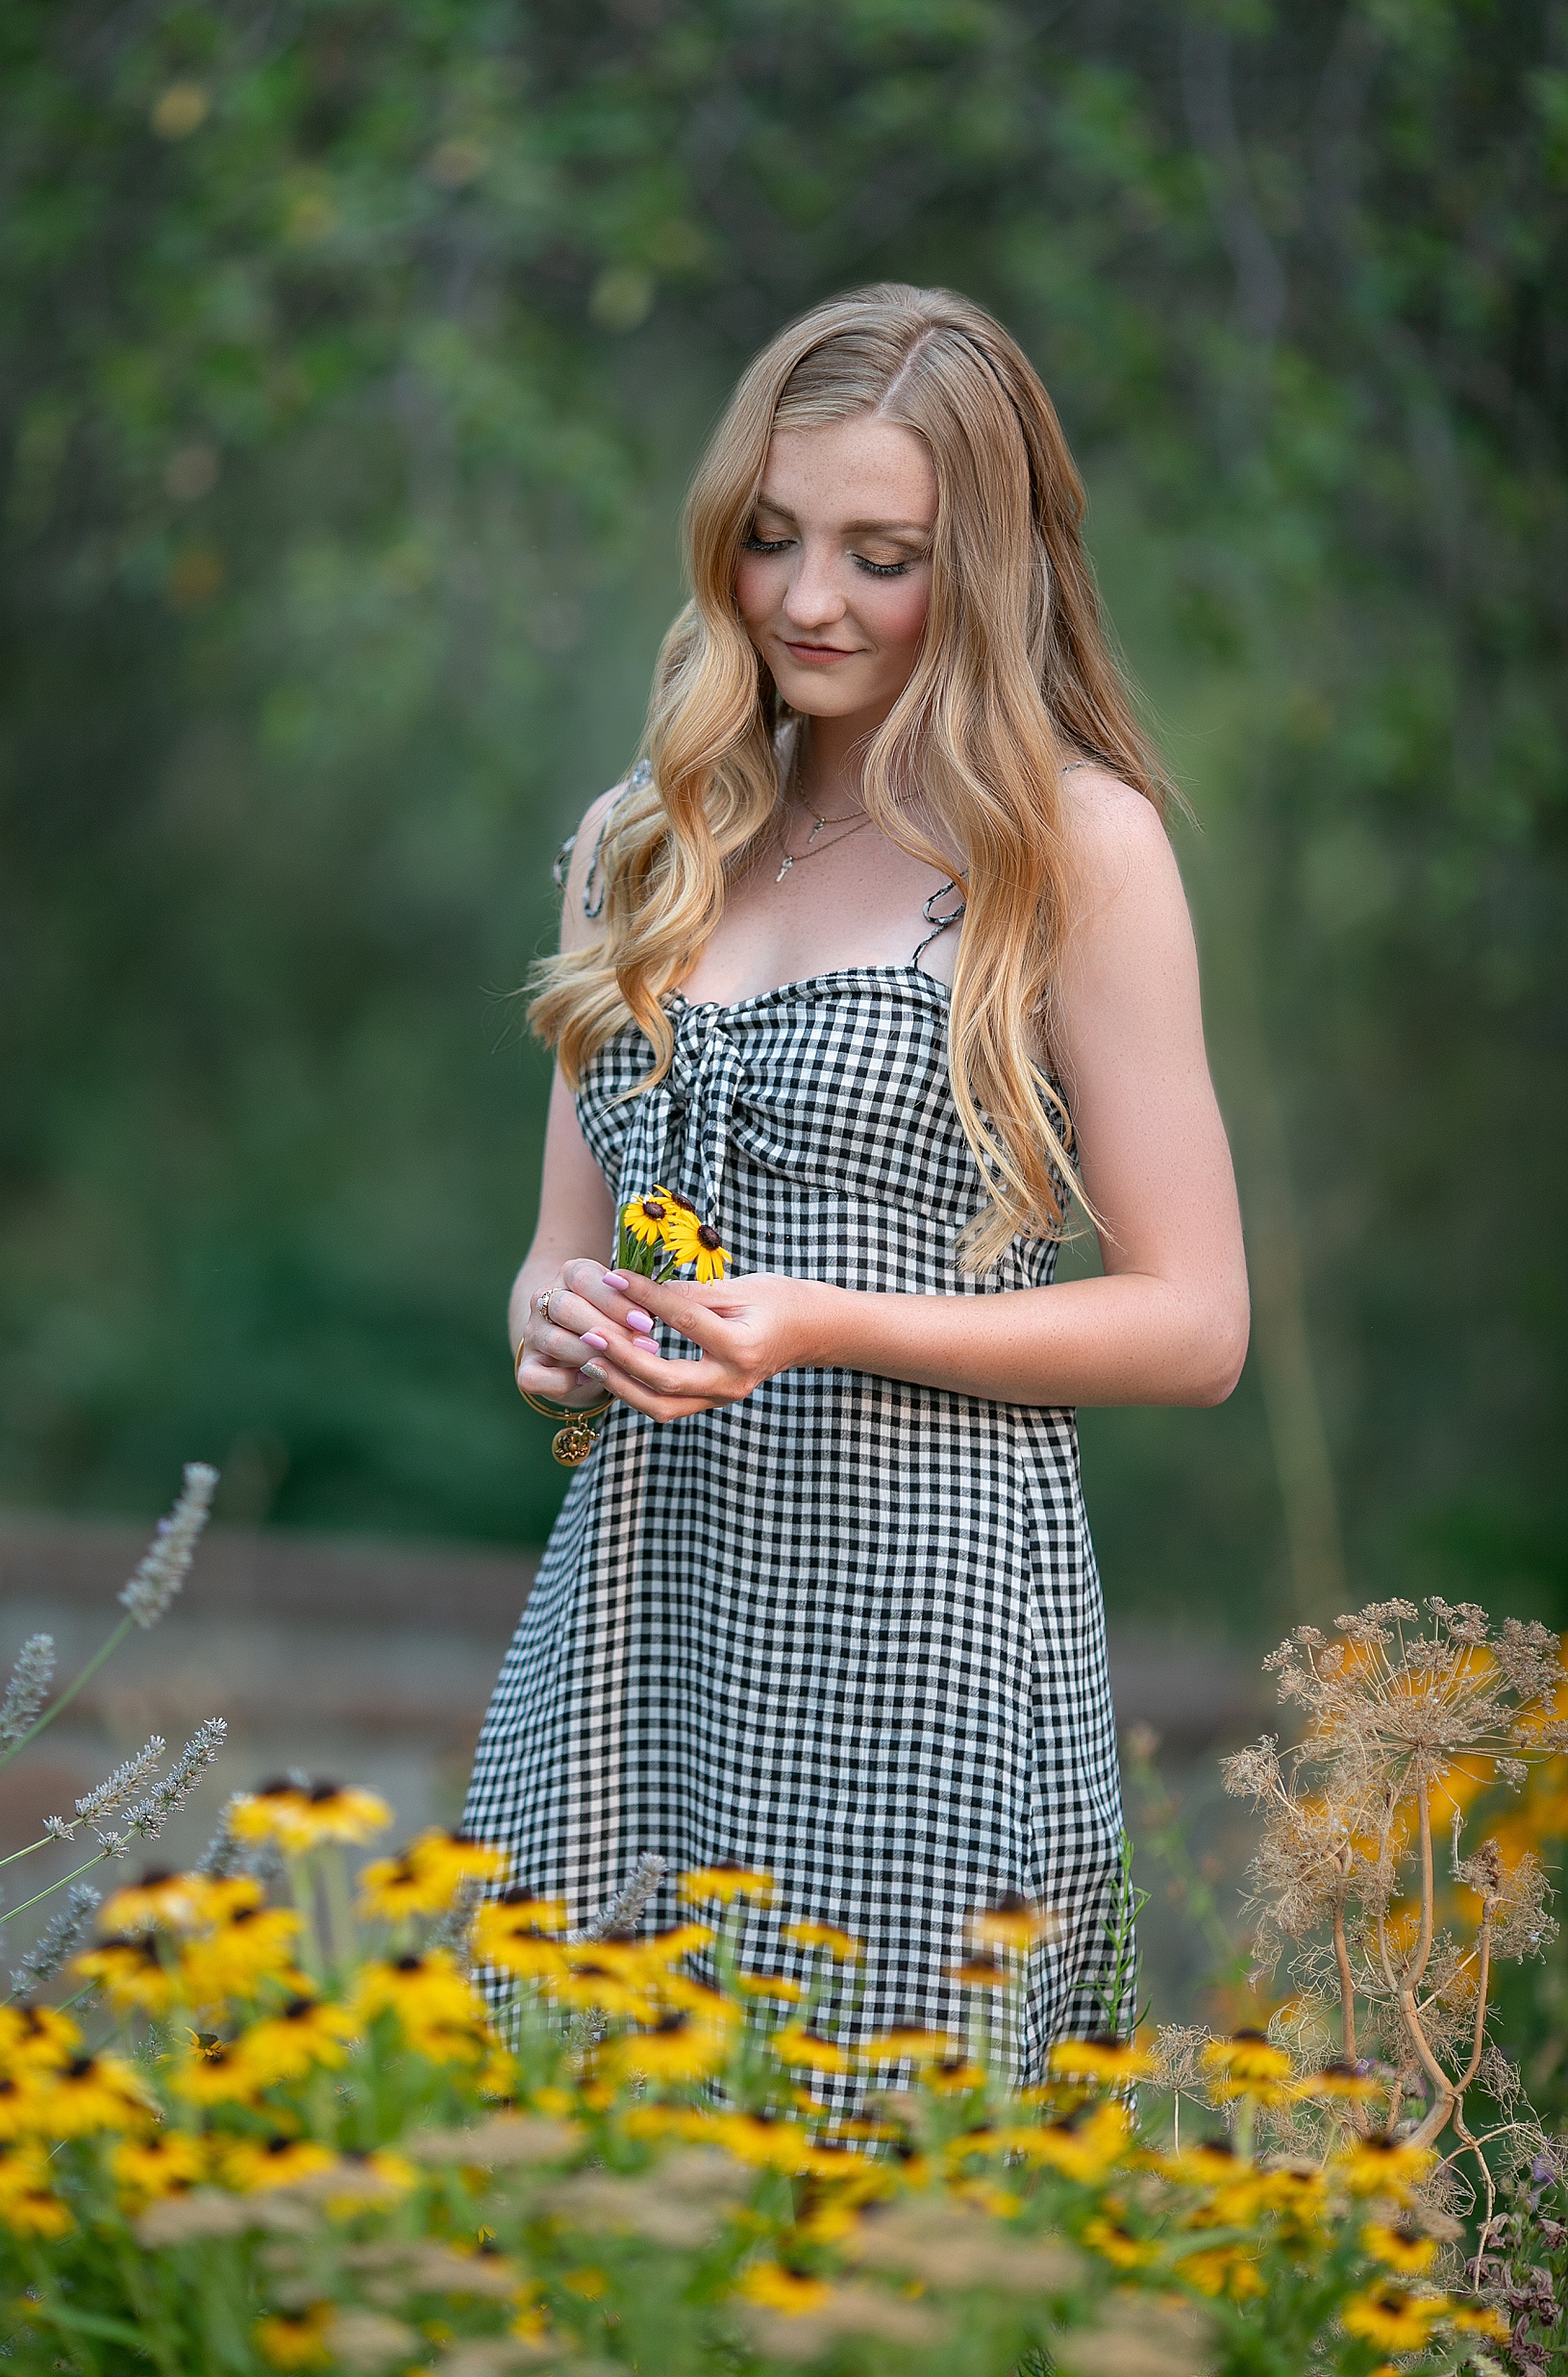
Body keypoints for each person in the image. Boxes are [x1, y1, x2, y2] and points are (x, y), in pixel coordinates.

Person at [462, 284, 1249, 2084]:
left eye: (880, 555)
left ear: (983, 567)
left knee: (871, 2197)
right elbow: (548, 1262)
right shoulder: (639, 838)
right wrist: (554, 1328)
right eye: (770, 539)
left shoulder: (1073, 849)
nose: (809, 601)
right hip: (635, 1613)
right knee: (555, 2169)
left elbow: (1198, 1324)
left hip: (923, 1619)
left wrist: (815, 1319)